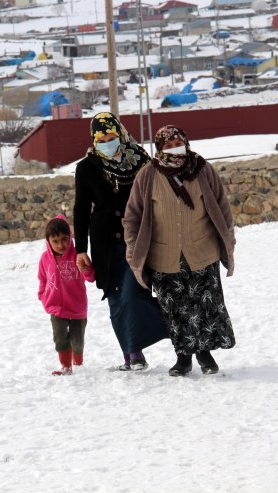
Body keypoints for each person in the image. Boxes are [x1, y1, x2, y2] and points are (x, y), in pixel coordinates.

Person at [123, 125, 236, 376]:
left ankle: (205, 355)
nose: (175, 147)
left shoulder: (202, 169)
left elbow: (221, 205)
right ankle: (183, 358)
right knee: (175, 309)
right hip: (164, 256)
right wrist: (133, 246)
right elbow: (132, 216)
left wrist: (228, 237)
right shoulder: (148, 175)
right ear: (159, 148)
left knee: (205, 305)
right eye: (169, 144)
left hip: (202, 250)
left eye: (178, 141)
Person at [73, 112, 168, 371]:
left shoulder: (141, 160)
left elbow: (158, 195)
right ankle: (131, 353)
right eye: (101, 137)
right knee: (115, 298)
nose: (106, 140)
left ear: (120, 133)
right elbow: (81, 209)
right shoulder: (87, 167)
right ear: (94, 138)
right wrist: (80, 249)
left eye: (111, 135)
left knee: (132, 292)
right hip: (104, 243)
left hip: (137, 239)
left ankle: (163, 329)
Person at [38, 214, 95, 376]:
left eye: (64, 239)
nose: (61, 244)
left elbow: (90, 277)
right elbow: (42, 278)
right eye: (55, 241)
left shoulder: (77, 254)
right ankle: (66, 366)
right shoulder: (45, 258)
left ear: (70, 237)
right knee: (60, 337)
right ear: (48, 241)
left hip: (76, 306)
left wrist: (87, 269)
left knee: (77, 341)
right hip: (55, 307)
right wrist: (42, 295)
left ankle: (78, 361)